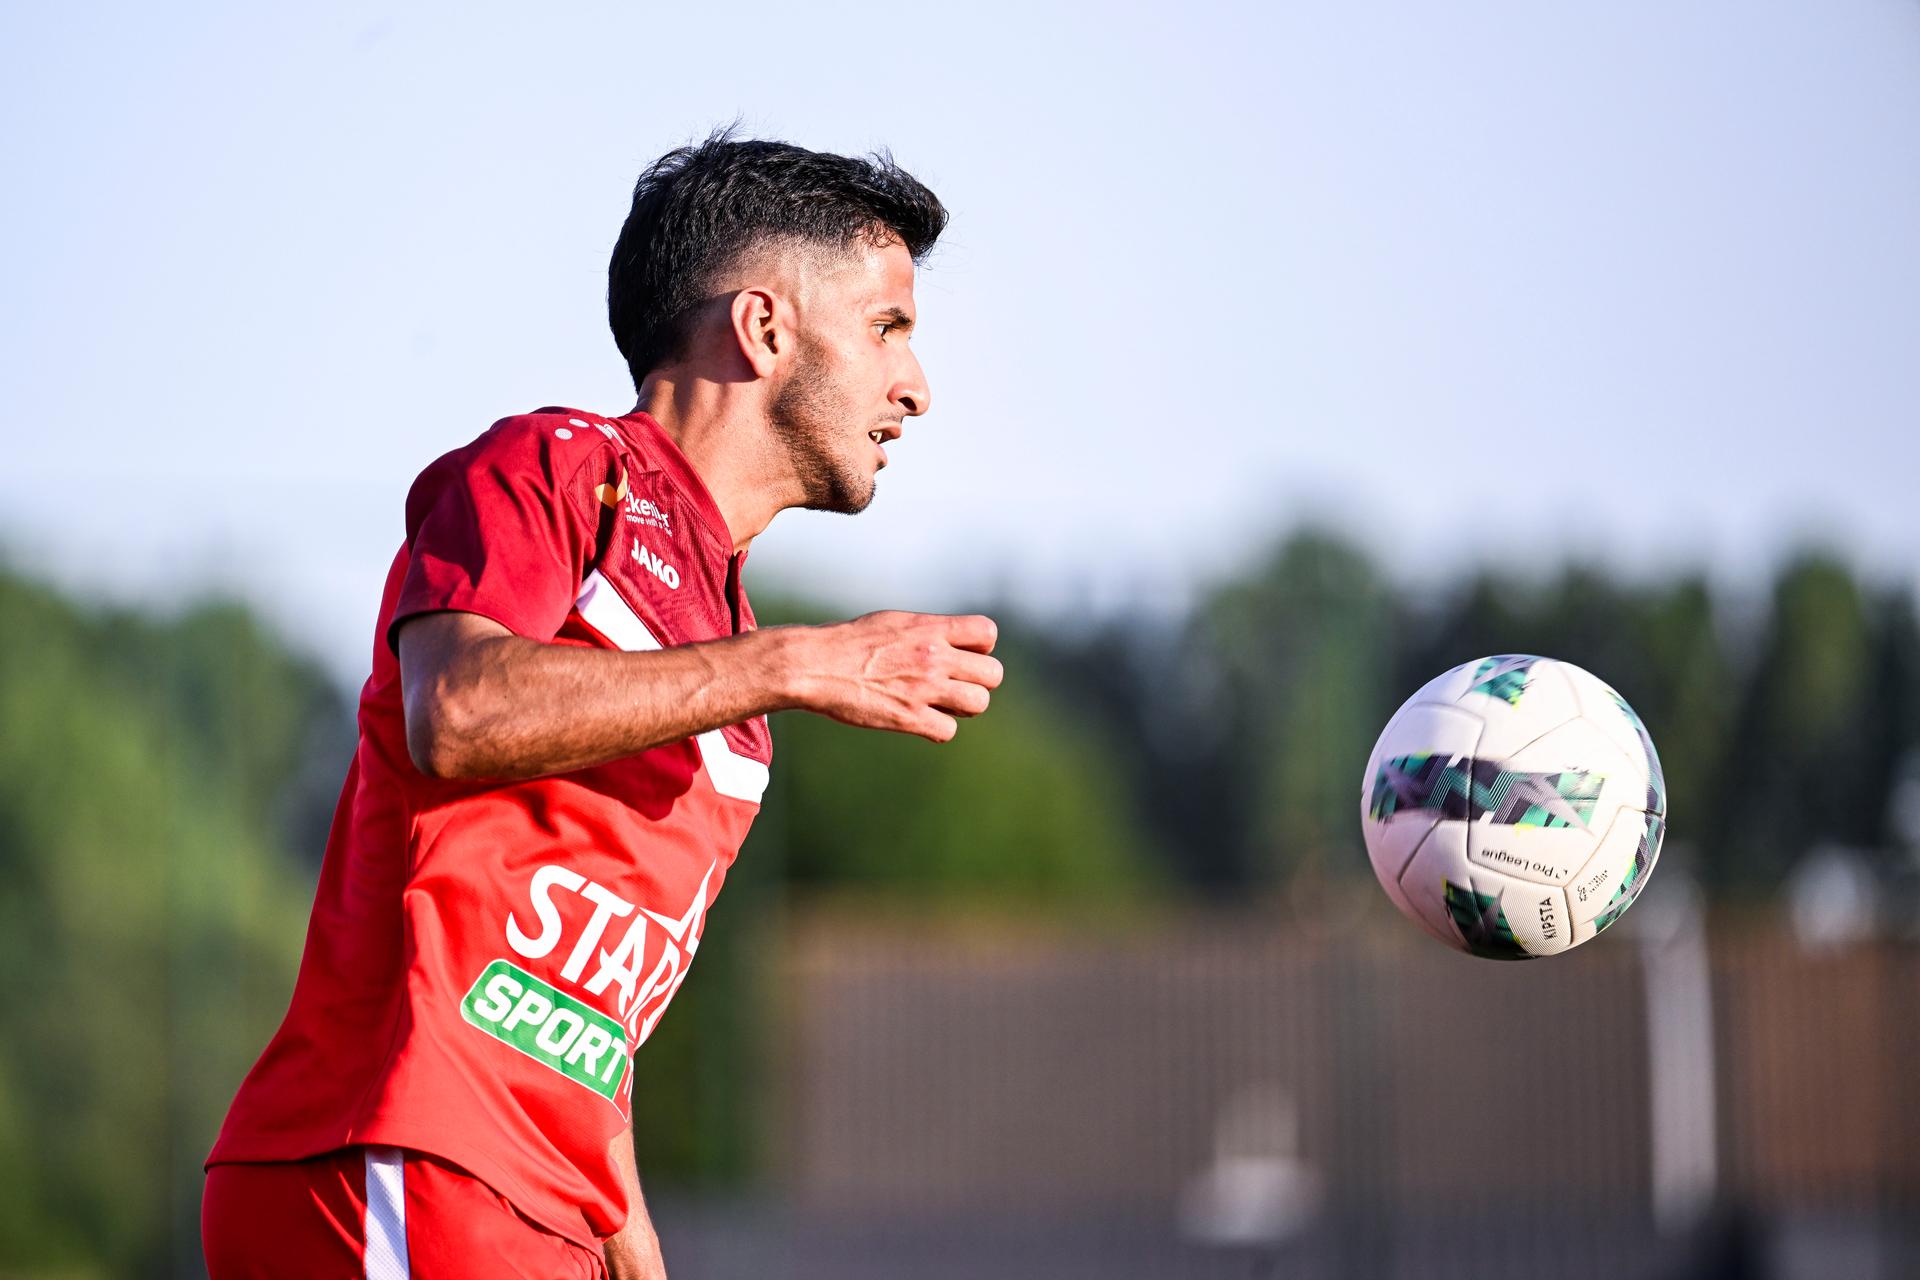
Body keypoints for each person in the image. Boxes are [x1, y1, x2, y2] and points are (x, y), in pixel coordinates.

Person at [200, 133, 1002, 1279]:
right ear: (765, 329)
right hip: (406, 1159)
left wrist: (627, 1236)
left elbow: (577, 1011)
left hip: (536, 1210)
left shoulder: (730, 664)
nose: (917, 386)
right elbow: (460, 710)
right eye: (888, 329)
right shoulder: (559, 471)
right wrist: (788, 662)